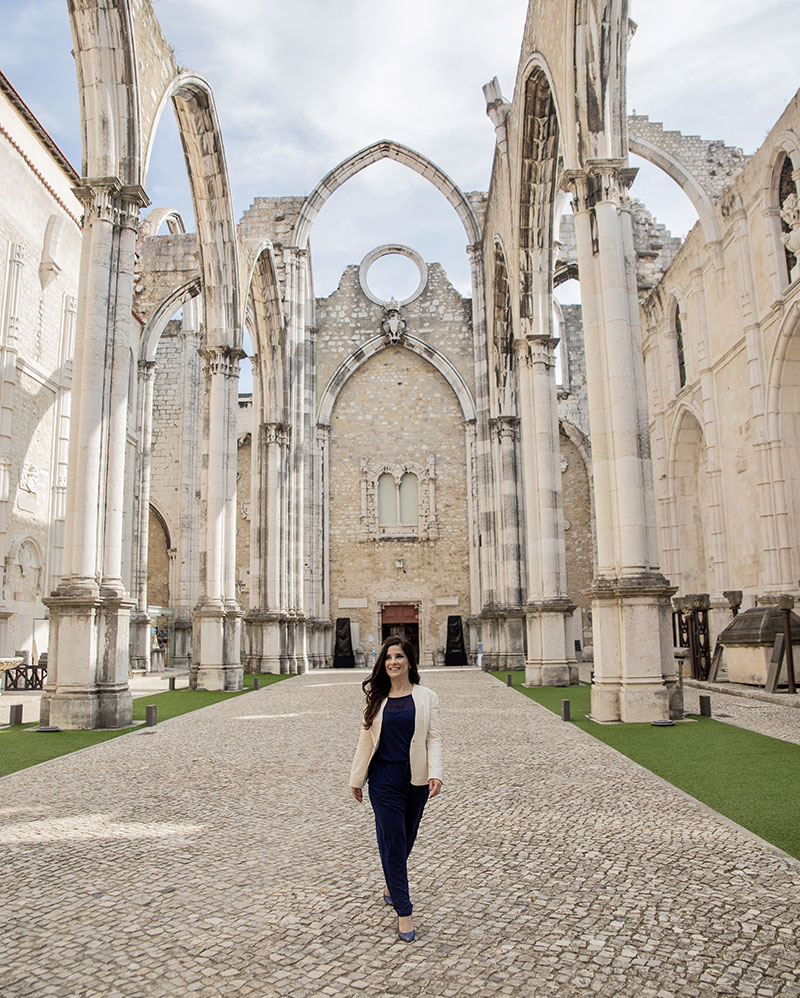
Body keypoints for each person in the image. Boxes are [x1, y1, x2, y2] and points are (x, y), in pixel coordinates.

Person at [349, 635, 443, 942]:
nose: (393, 662)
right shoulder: (375, 698)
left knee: (406, 837)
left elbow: (434, 738)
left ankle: (391, 880)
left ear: (409, 661)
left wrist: (436, 773)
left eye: (399, 656)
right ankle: (404, 911)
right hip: (383, 779)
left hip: (415, 777)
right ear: (382, 662)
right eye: (389, 657)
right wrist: (356, 777)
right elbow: (366, 739)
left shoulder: (427, 697)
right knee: (392, 840)